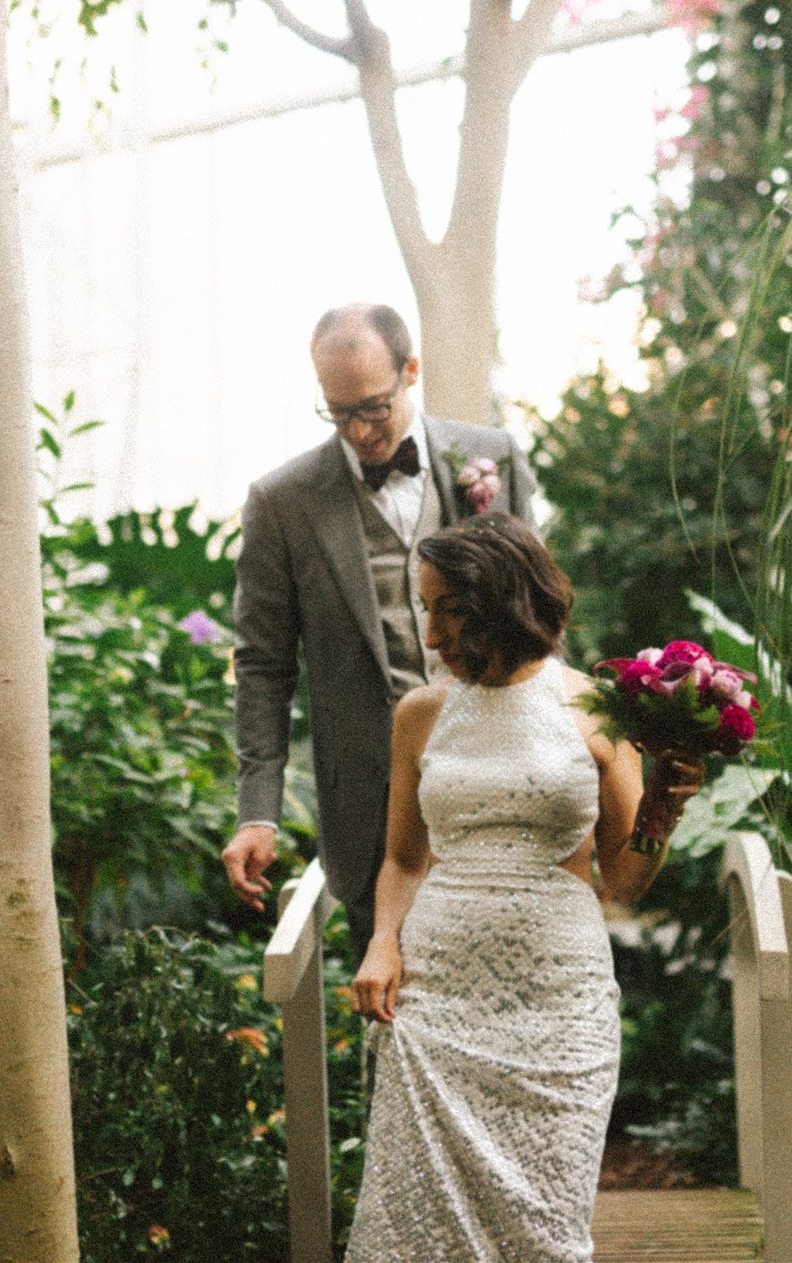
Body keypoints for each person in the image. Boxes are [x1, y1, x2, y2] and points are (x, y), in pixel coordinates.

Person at [345, 513, 703, 1262]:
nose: (432, 630)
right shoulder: (419, 714)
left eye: (449, 606)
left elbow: (626, 879)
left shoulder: (597, 710)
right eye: (425, 605)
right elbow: (404, 859)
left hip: (559, 1004)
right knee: (417, 1227)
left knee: (545, 1225)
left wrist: (664, 807)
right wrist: (383, 942)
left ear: (503, 599)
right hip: (438, 1000)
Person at [223, 303, 537, 961]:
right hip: (371, 806)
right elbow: (263, 665)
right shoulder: (282, 503)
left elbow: (536, 621)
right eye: (338, 412)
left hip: (498, 778)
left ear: (410, 371)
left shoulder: (491, 459)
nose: (358, 431)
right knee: (389, 1005)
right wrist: (258, 810)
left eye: (372, 407)